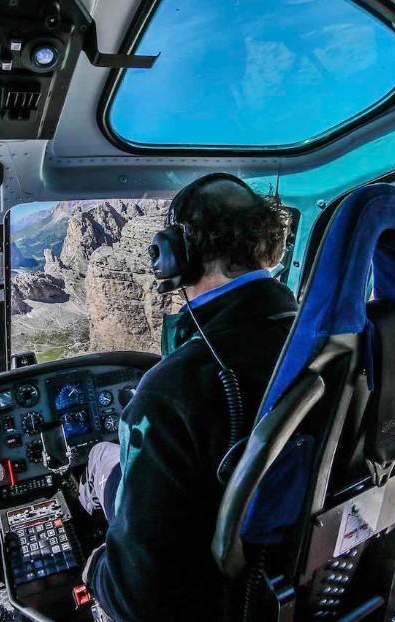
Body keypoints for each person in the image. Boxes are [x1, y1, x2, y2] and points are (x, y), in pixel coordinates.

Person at [79, 173, 298, 621]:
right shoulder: (319, 342)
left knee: (101, 458)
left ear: (175, 255)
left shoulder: (173, 388)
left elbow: (139, 600)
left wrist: (96, 569)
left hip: (219, 594)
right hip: (284, 571)